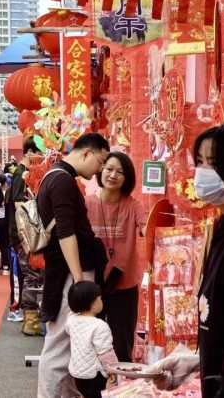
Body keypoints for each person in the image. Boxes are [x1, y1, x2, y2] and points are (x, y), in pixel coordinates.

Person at [36, 133, 110, 398]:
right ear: (87, 153)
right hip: (68, 272)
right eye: (100, 162)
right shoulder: (62, 180)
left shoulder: (56, 177)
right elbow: (66, 233)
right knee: (60, 345)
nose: (100, 170)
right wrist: (79, 278)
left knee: (68, 340)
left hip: (64, 271)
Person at [86, 152, 145, 362]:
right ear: (100, 171)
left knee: (122, 343)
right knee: (91, 344)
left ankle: (123, 391)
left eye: (120, 172)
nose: (113, 175)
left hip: (124, 283)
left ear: (127, 177)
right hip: (92, 284)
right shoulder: (87, 203)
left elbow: (145, 226)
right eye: (109, 169)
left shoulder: (134, 205)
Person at [192, 125, 224, 397]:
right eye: (200, 162)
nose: (203, 172)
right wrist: (196, 362)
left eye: (214, 163)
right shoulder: (221, 228)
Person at [5, 137, 44, 336]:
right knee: (31, 275)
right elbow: (21, 208)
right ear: (29, 153)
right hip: (25, 236)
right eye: (39, 152)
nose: (42, 157)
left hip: (26, 235)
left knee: (32, 275)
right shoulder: (22, 175)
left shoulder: (25, 173)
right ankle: (30, 319)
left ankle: (32, 318)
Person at [66, 281, 118, 398]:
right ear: (93, 304)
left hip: (77, 373)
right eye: (99, 299)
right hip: (95, 375)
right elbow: (105, 353)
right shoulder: (99, 326)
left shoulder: (71, 320)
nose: (101, 301)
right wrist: (113, 370)